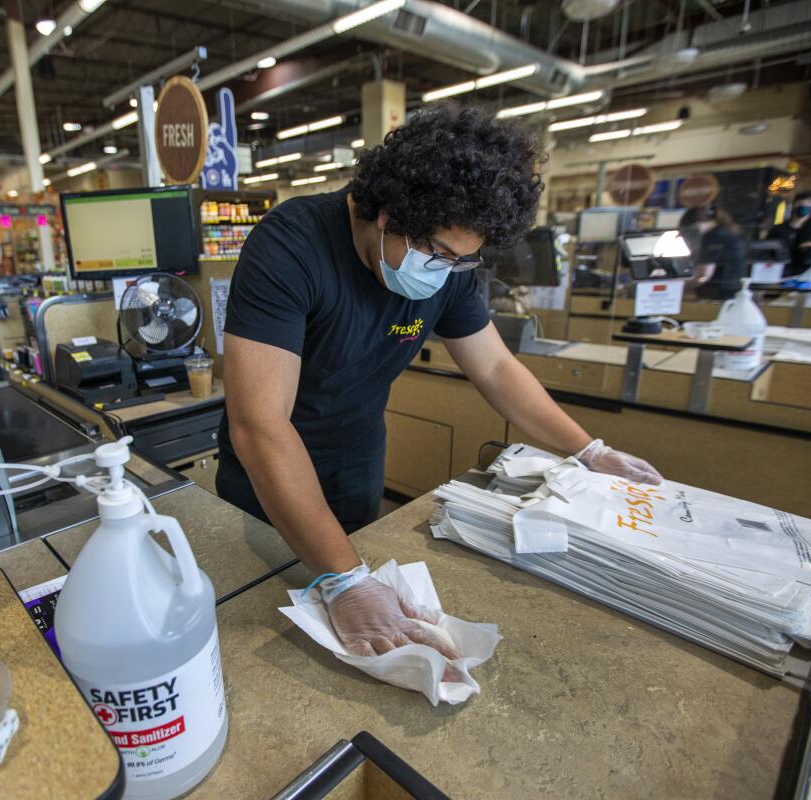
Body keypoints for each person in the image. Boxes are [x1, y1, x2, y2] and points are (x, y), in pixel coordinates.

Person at [216, 103, 662, 662]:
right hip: (267, 476)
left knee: (364, 634)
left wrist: (590, 450)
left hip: (355, 461)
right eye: (439, 252)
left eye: (462, 260)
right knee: (263, 629)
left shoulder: (447, 270)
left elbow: (497, 369)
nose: (445, 269)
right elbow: (260, 425)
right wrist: (347, 581)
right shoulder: (290, 246)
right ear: (387, 213)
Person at [683, 204, 746, 301]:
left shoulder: (714, 237)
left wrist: (678, 286)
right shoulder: (727, 233)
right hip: (732, 292)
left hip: (717, 295)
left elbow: (703, 274)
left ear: (696, 223)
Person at [767, 191, 811, 276]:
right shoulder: (779, 229)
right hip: (780, 272)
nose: (804, 206)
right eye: (800, 203)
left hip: (806, 274)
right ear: (794, 205)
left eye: (808, 203)